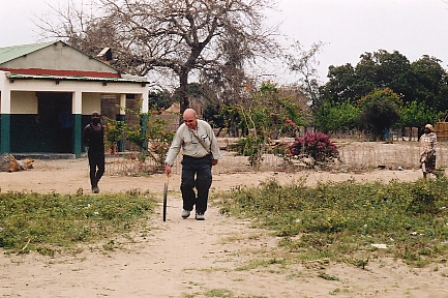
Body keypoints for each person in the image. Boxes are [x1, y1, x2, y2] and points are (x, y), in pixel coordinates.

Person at [165, 108, 221, 220]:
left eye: (190, 121)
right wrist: (168, 164)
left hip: (204, 159)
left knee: (203, 184)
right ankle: (187, 207)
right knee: (186, 184)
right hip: (188, 160)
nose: (187, 123)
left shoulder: (205, 127)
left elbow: (213, 142)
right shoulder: (182, 129)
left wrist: (215, 157)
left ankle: (200, 211)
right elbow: (175, 147)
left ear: (196, 118)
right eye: (185, 121)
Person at [83, 111, 105, 193]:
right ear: (91, 118)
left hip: (100, 151)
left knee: (102, 169)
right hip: (92, 151)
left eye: (97, 116)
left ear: (99, 117)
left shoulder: (102, 127)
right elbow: (84, 140)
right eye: (93, 116)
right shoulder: (88, 128)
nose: (95, 117)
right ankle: (94, 186)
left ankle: (95, 182)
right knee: (93, 169)